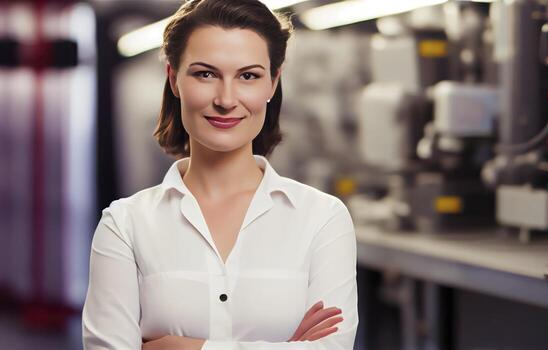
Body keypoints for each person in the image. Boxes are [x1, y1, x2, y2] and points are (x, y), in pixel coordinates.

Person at [81, 0, 358, 349]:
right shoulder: (125, 225)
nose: (226, 99)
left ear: (272, 83)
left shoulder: (322, 218)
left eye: (248, 76)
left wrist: (183, 347)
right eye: (205, 74)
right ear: (174, 79)